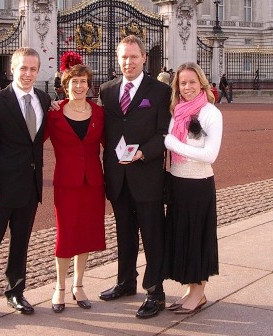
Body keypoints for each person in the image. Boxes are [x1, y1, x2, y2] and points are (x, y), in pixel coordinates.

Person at [0, 47, 52, 324]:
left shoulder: (43, 97)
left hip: (29, 187)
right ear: (12, 70)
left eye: (33, 69)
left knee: (21, 244)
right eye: (23, 69)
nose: (28, 74)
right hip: (0, 190)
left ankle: (15, 291)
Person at [97, 35, 171, 319]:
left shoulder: (159, 91)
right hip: (117, 176)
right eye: (124, 57)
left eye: (133, 57)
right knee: (125, 233)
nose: (128, 62)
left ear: (143, 58)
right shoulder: (107, 89)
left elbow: (164, 134)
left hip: (147, 174)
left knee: (152, 235)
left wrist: (142, 153)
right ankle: (125, 281)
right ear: (118, 59)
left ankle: (156, 291)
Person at [45, 54, 106, 314]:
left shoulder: (100, 113)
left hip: (93, 182)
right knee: (66, 234)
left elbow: (113, 145)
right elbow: (31, 144)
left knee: (87, 234)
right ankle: (60, 286)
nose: (79, 86)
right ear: (65, 85)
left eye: (83, 81)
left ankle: (79, 285)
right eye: (74, 82)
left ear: (89, 85)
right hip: (66, 184)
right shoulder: (54, 114)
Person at [163, 62, 222, 314]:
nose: (187, 87)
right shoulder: (177, 111)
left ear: (201, 84)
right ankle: (190, 289)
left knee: (197, 236)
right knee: (182, 236)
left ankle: (199, 293)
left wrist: (171, 143)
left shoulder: (210, 113)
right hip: (178, 183)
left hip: (199, 185)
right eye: (182, 83)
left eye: (192, 82)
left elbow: (210, 155)